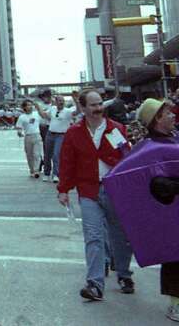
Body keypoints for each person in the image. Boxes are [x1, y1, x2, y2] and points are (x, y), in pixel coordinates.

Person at [57, 87, 133, 302]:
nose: (99, 108)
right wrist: (63, 189)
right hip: (88, 191)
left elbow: (127, 159)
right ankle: (95, 284)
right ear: (82, 107)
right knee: (93, 236)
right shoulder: (73, 133)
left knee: (120, 236)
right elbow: (67, 163)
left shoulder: (116, 129)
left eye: (100, 103)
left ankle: (125, 275)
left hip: (114, 190)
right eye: (93, 105)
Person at [118, 98, 178, 321]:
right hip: (170, 215)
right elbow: (157, 184)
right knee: (175, 257)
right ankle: (175, 305)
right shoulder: (149, 149)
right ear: (156, 120)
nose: (173, 116)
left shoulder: (174, 139)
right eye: (168, 114)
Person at [45, 93, 76, 183]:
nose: (61, 102)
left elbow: (77, 112)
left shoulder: (67, 111)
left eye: (63, 100)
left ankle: (56, 174)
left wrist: (76, 101)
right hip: (50, 134)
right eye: (59, 100)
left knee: (56, 154)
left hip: (61, 135)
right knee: (47, 154)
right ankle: (47, 173)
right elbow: (45, 116)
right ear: (56, 102)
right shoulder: (53, 109)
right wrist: (38, 108)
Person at [15, 100, 44, 178]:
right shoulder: (22, 117)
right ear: (24, 107)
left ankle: (36, 170)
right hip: (28, 136)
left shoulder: (36, 114)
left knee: (37, 154)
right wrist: (19, 132)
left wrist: (38, 107)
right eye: (28, 105)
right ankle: (32, 170)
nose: (30, 106)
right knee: (29, 155)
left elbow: (44, 117)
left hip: (37, 135)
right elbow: (19, 127)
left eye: (31, 105)